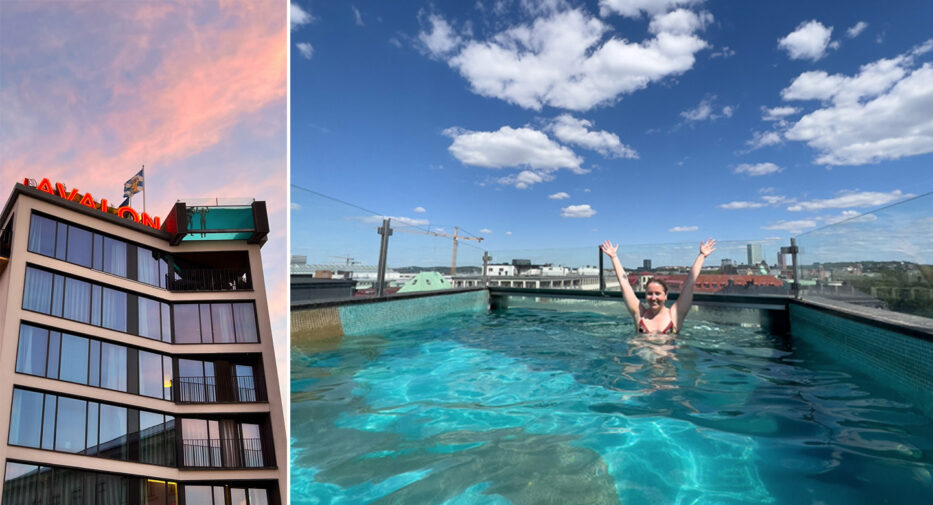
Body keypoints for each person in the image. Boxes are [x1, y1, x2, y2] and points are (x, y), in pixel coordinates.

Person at [600, 238, 716, 334]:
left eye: (657, 293)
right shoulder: (639, 314)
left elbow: (689, 283)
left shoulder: (675, 314)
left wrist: (702, 256)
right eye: (649, 294)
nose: (653, 298)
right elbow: (624, 284)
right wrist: (614, 257)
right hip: (640, 360)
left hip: (668, 361)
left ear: (666, 295)